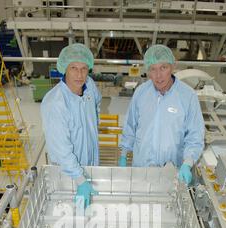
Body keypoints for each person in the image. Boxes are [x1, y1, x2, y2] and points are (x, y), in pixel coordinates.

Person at [119, 45, 205, 185]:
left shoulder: (187, 96)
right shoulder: (141, 93)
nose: (158, 75)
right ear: (148, 71)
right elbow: (130, 127)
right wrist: (123, 154)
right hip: (141, 170)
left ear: (172, 67)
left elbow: (195, 136)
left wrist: (188, 163)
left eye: (163, 68)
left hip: (172, 172)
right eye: (153, 69)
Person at [41, 43, 101, 208]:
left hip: (90, 164)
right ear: (64, 69)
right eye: (74, 67)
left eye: (84, 68)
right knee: (69, 216)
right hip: (68, 175)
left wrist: (93, 123)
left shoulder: (89, 87)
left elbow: (97, 103)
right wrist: (80, 180)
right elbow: (62, 151)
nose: (80, 74)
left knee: (91, 214)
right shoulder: (55, 103)